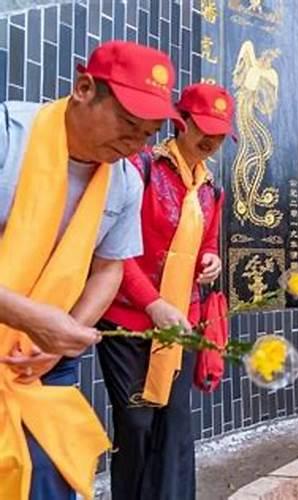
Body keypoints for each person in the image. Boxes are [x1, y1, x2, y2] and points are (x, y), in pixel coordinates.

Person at [0, 40, 181, 500]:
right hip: (30, 329)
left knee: (50, 474)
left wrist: (63, 337)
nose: (135, 144)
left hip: (37, 358)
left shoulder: (123, 181)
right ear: (84, 88)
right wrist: (28, 318)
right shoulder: (8, 138)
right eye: (127, 123)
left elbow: (109, 269)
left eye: (148, 133)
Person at [96, 82, 231, 500]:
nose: (211, 140)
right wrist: (151, 303)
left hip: (180, 320)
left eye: (221, 133)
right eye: (204, 128)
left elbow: (207, 241)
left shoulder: (211, 188)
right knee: (136, 423)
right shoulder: (141, 168)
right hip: (127, 317)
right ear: (181, 121)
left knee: (173, 426)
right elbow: (113, 251)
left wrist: (212, 260)